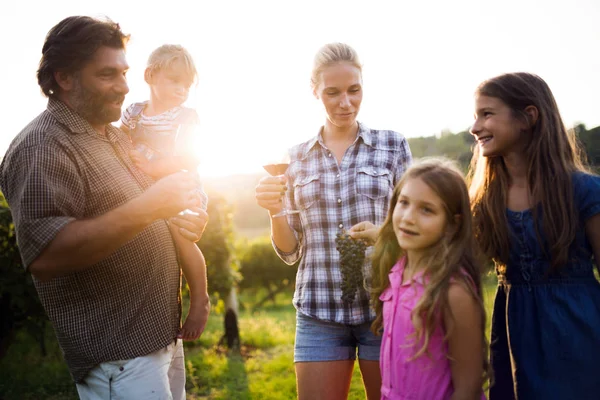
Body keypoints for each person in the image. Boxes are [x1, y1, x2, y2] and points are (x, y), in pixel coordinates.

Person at [0, 16, 209, 400]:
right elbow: (46, 256)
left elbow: (153, 206)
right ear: (65, 78)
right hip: (118, 357)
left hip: (160, 336)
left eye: (125, 73)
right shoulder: (42, 147)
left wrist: (181, 218)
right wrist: (149, 208)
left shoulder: (113, 136)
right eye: (107, 75)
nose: (124, 87)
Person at [255, 42, 412, 400]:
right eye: (333, 92)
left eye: (354, 90)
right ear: (315, 91)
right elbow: (290, 251)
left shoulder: (393, 146)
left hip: (383, 307)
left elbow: (414, 227)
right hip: (318, 312)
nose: (345, 102)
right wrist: (273, 210)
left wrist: (383, 235)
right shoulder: (294, 159)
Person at [469, 72, 600, 399]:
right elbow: (463, 268)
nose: (475, 127)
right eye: (476, 116)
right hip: (513, 344)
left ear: (528, 117)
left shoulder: (584, 191)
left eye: (487, 114)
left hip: (580, 340)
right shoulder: (487, 199)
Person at [370, 158, 489, 400]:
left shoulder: (454, 292)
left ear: (452, 224)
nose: (408, 218)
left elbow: (468, 389)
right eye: (403, 203)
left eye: (426, 209)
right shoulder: (396, 274)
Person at [120, 44, 209, 341]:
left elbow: (190, 158)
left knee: (182, 238)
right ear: (149, 75)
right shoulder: (133, 112)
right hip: (146, 189)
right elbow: (119, 141)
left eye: (187, 83)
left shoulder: (185, 117)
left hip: (181, 185)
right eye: (174, 80)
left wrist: (152, 166)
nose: (181, 88)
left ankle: (200, 301)